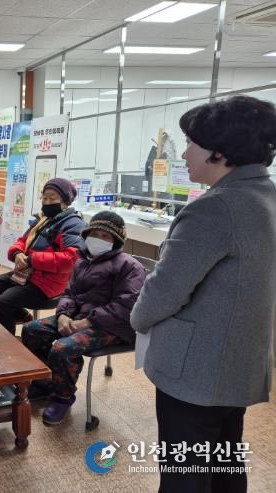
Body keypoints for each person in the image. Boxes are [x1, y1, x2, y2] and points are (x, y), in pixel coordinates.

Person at [130, 95, 276, 493]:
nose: (184, 154)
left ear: (219, 152)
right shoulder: (265, 194)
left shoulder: (214, 209)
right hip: (239, 363)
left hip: (195, 372)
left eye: (190, 143)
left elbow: (164, 292)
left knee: (186, 473)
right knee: (226, 461)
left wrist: (137, 318)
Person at [21, 211, 146, 425]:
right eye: (94, 234)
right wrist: (63, 315)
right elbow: (70, 293)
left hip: (114, 327)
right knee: (32, 330)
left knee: (64, 348)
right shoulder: (83, 260)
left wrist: (87, 321)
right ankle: (45, 382)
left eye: (105, 236)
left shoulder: (129, 266)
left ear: (116, 240)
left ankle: (63, 397)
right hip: (80, 316)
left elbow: (126, 305)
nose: (98, 239)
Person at [0, 178, 85, 334]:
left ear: (65, 202)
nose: (47, 202)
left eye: (52, 198)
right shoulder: (42, 219)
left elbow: (71, 260)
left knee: (2, 303)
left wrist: (32, 260)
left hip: (50, 282)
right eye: (44, 198)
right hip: (28, 274)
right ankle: (23, 316)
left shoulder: (73, 224)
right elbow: (23, 241)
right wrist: (17, 253)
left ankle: (6, 342)